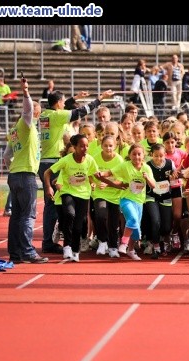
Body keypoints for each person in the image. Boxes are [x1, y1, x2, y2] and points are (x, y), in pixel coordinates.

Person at [38, 88, 114, 256]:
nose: (65, 105)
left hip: (44, 160)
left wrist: (74, 98)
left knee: (52, 205)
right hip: (54, 161)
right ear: (58, 104)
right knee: (57, 205)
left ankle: (51, 239)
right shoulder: (57, 116)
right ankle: (53, 241)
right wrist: (100, 98)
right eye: (63, 102)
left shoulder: (45, 115)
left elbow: (65, 106)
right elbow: (80, 111)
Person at [2, 77, 48, 264]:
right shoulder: (26, 125)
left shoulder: (14, 131)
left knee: (17, 216)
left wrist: (12, 169)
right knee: (28, 216)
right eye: (38, 112)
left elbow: (6, 155)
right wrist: (26, 91)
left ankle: (15, 253)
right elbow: (27, 109)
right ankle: (28, 251)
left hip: (14, 175)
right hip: (26, 175)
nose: (38, 115)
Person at [43, 134, 98, 262]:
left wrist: (98, 182)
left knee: (78, 225)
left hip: (83, 194)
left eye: (87, 146)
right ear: (74, 147)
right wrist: (48, 187)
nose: (85, 148)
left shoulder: (90, 160)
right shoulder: (66, 160)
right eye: (81, 146)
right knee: (69, 213)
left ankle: (75, 250)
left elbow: (94, 175)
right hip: (67, 191)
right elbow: (47, 172)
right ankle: (66, 245)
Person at [95, 144, 156, 261]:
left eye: (139, 154)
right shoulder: (125, 166)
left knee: (135, 229)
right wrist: (101, 174)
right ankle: (123, 243)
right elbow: (110, 172)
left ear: (143, 156)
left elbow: (153, 185)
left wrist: (147, 177)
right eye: (134, 154)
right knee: (132, 219)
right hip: (126, 199)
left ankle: (131, 250)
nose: (136, 157)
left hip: (139, 201)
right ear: (129, 155)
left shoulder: (146, 168)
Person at [91, 135, 124, 258]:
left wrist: (108, 184)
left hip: (115, 195)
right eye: (105, 145)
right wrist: (93, 182)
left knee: (114, 222)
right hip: (99, 194)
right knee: (100, 215)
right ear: (101, 146)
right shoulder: (95, 159)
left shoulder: (119, 160)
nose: (108, 148)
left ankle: (113, 247)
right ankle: (102, 241)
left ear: (115, 146)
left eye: (111, 146)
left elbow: (121, 180)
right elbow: (91, 174)